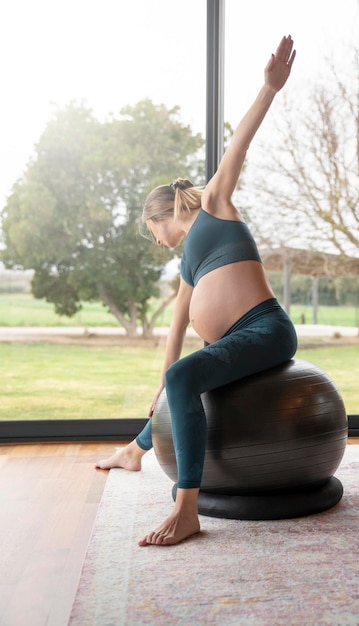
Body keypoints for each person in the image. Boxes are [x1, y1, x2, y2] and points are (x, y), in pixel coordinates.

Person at [96, 35, 297, 546]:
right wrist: (162, 381)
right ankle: (134, 451)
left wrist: (268, 88)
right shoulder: (188, 263)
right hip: (230, 343)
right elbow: (179, 319)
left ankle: (187, 511)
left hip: (264, 329)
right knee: (179, 382)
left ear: (163, 215)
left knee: (185, 378)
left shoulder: (214, 206)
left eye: (152, 230)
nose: (155, 241)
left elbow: (240, 145)